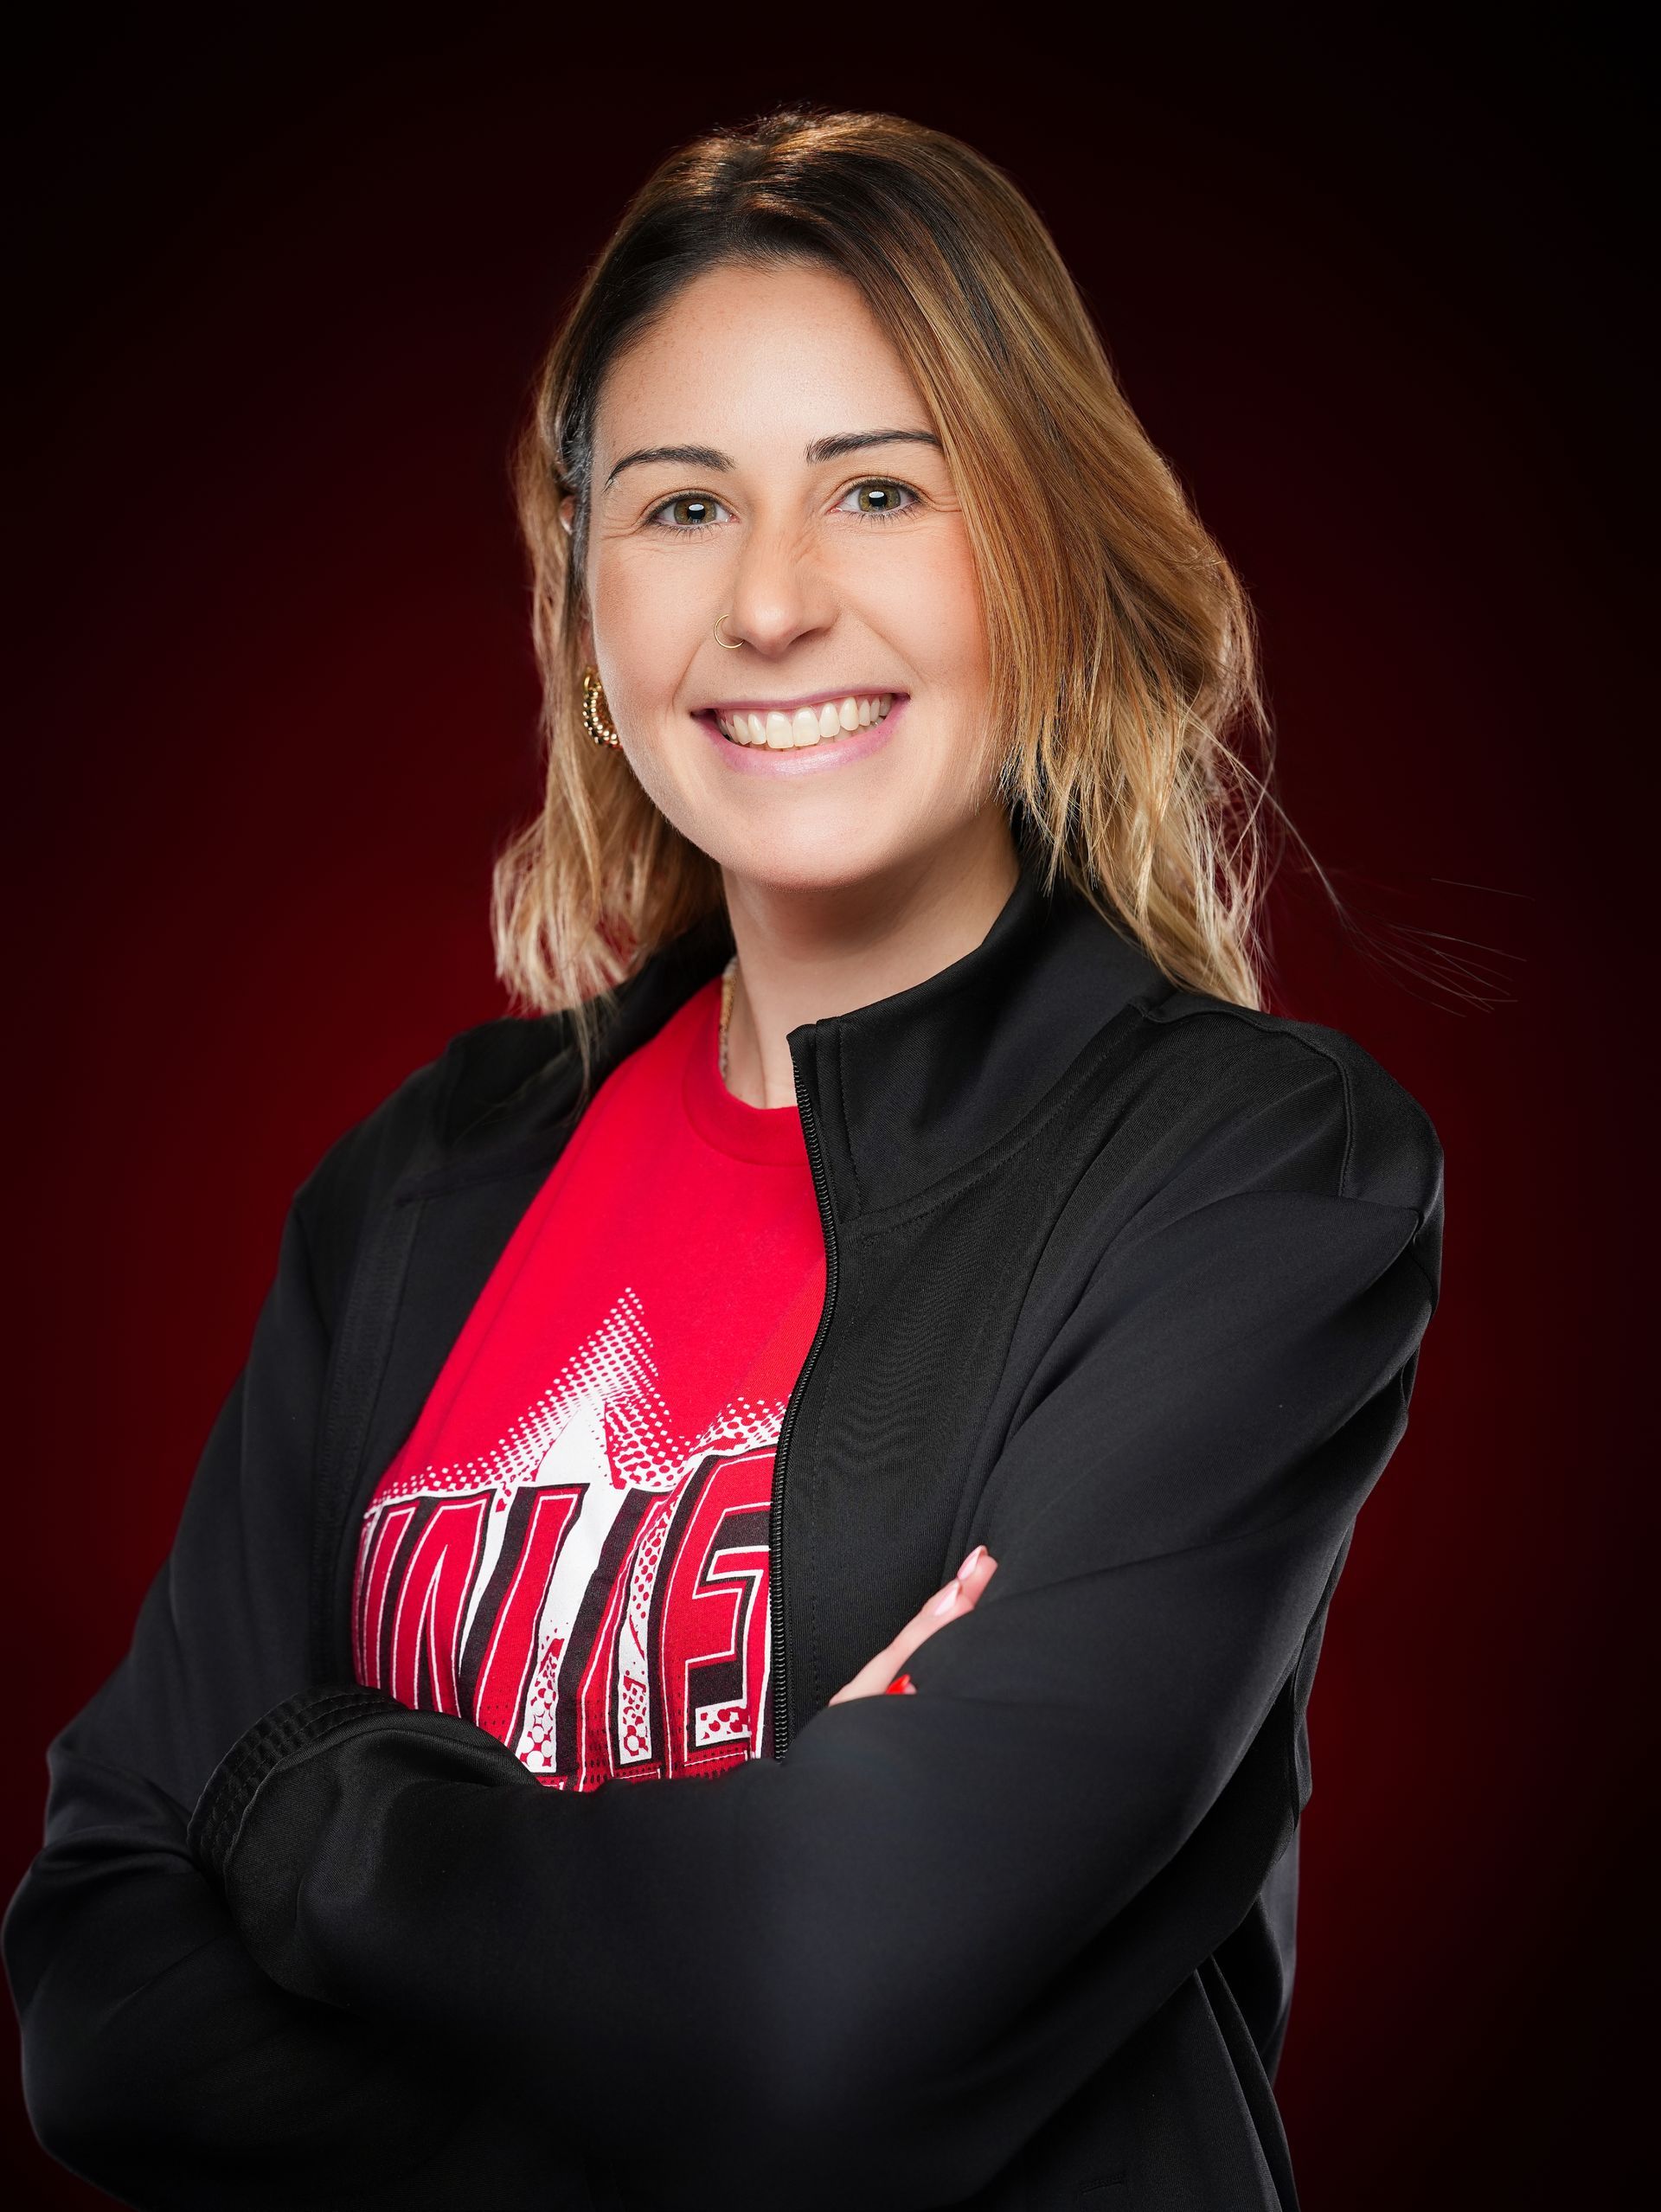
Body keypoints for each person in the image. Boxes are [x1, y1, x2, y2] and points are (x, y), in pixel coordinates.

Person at [3, 107, 1444, 2211]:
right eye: (682, 506)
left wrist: (312, 1796)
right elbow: (98, 2001)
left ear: (1035, 549)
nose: (772, 602)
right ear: (586, 602)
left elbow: (818, 2007)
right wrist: (704, 1942)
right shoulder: (418, 1190)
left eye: (878, 488)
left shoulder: (1247, 1177)